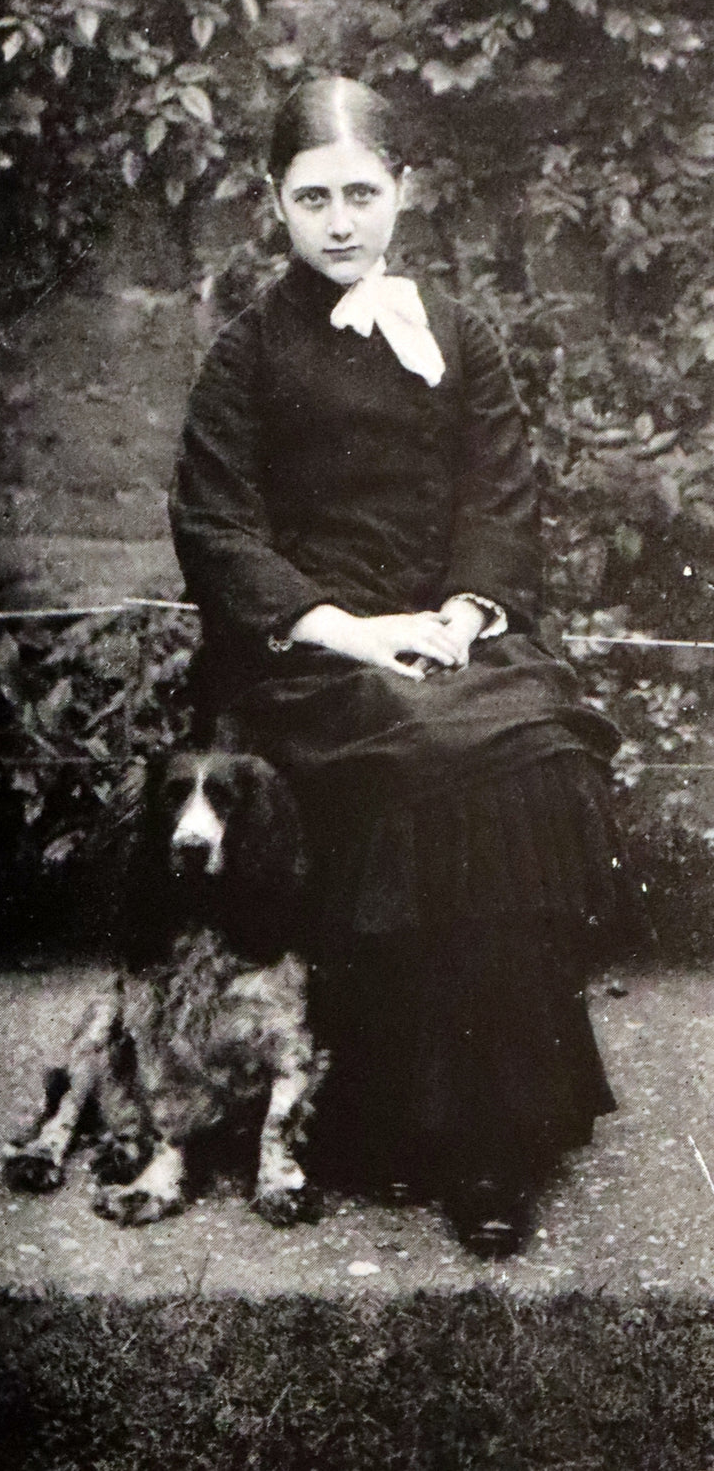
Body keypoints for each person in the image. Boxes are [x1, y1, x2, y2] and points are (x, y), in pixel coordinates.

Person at [169, 75, 642, 1257]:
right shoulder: (244, 355)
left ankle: (496, 1134)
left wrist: (465, 611)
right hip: (311, 655)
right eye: (311, 196)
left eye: (361, 194)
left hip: (450, 632)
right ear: (273, 206)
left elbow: (500, 493)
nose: (339, 221)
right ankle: (398, 1126)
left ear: (403, 193)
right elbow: (219, 531)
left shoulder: (457, 334)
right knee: (436, 751)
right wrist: (359, 630)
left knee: (525, 744)